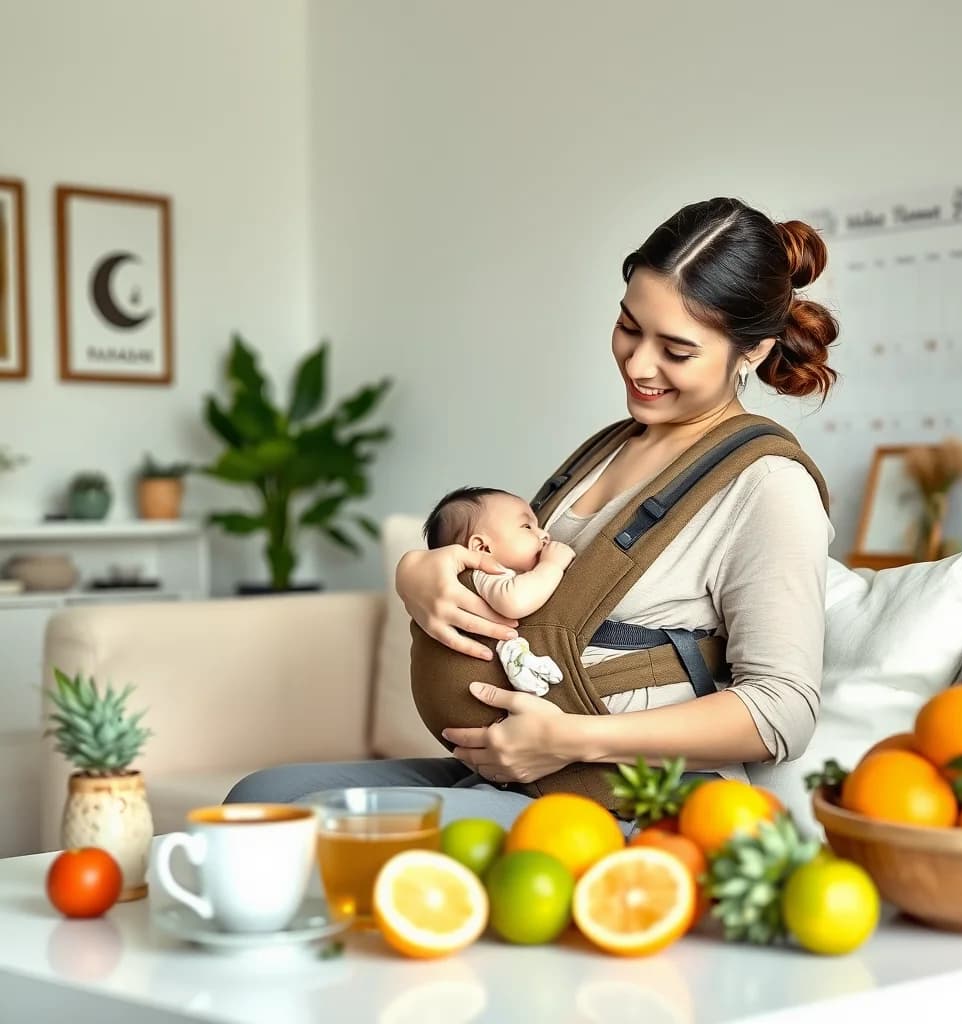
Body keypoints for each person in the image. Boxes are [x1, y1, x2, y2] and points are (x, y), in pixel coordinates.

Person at [225, 196, 839, 834]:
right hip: (519, 774)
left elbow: (781, 711)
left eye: (676, 351)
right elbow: (514, 578)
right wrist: (419, 573)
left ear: (755, 350)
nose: (637, 364)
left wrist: (572, 740)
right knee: (260, 796)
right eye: (629, 326)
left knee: (307, 828)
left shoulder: (769, 487)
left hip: (620, 798)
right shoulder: (609, 449)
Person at [424, 485, 577, 695]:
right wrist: (551, 565)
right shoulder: (483, 573)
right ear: (483, 548)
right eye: (527, 527)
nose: (544, 534)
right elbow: (515, 602)